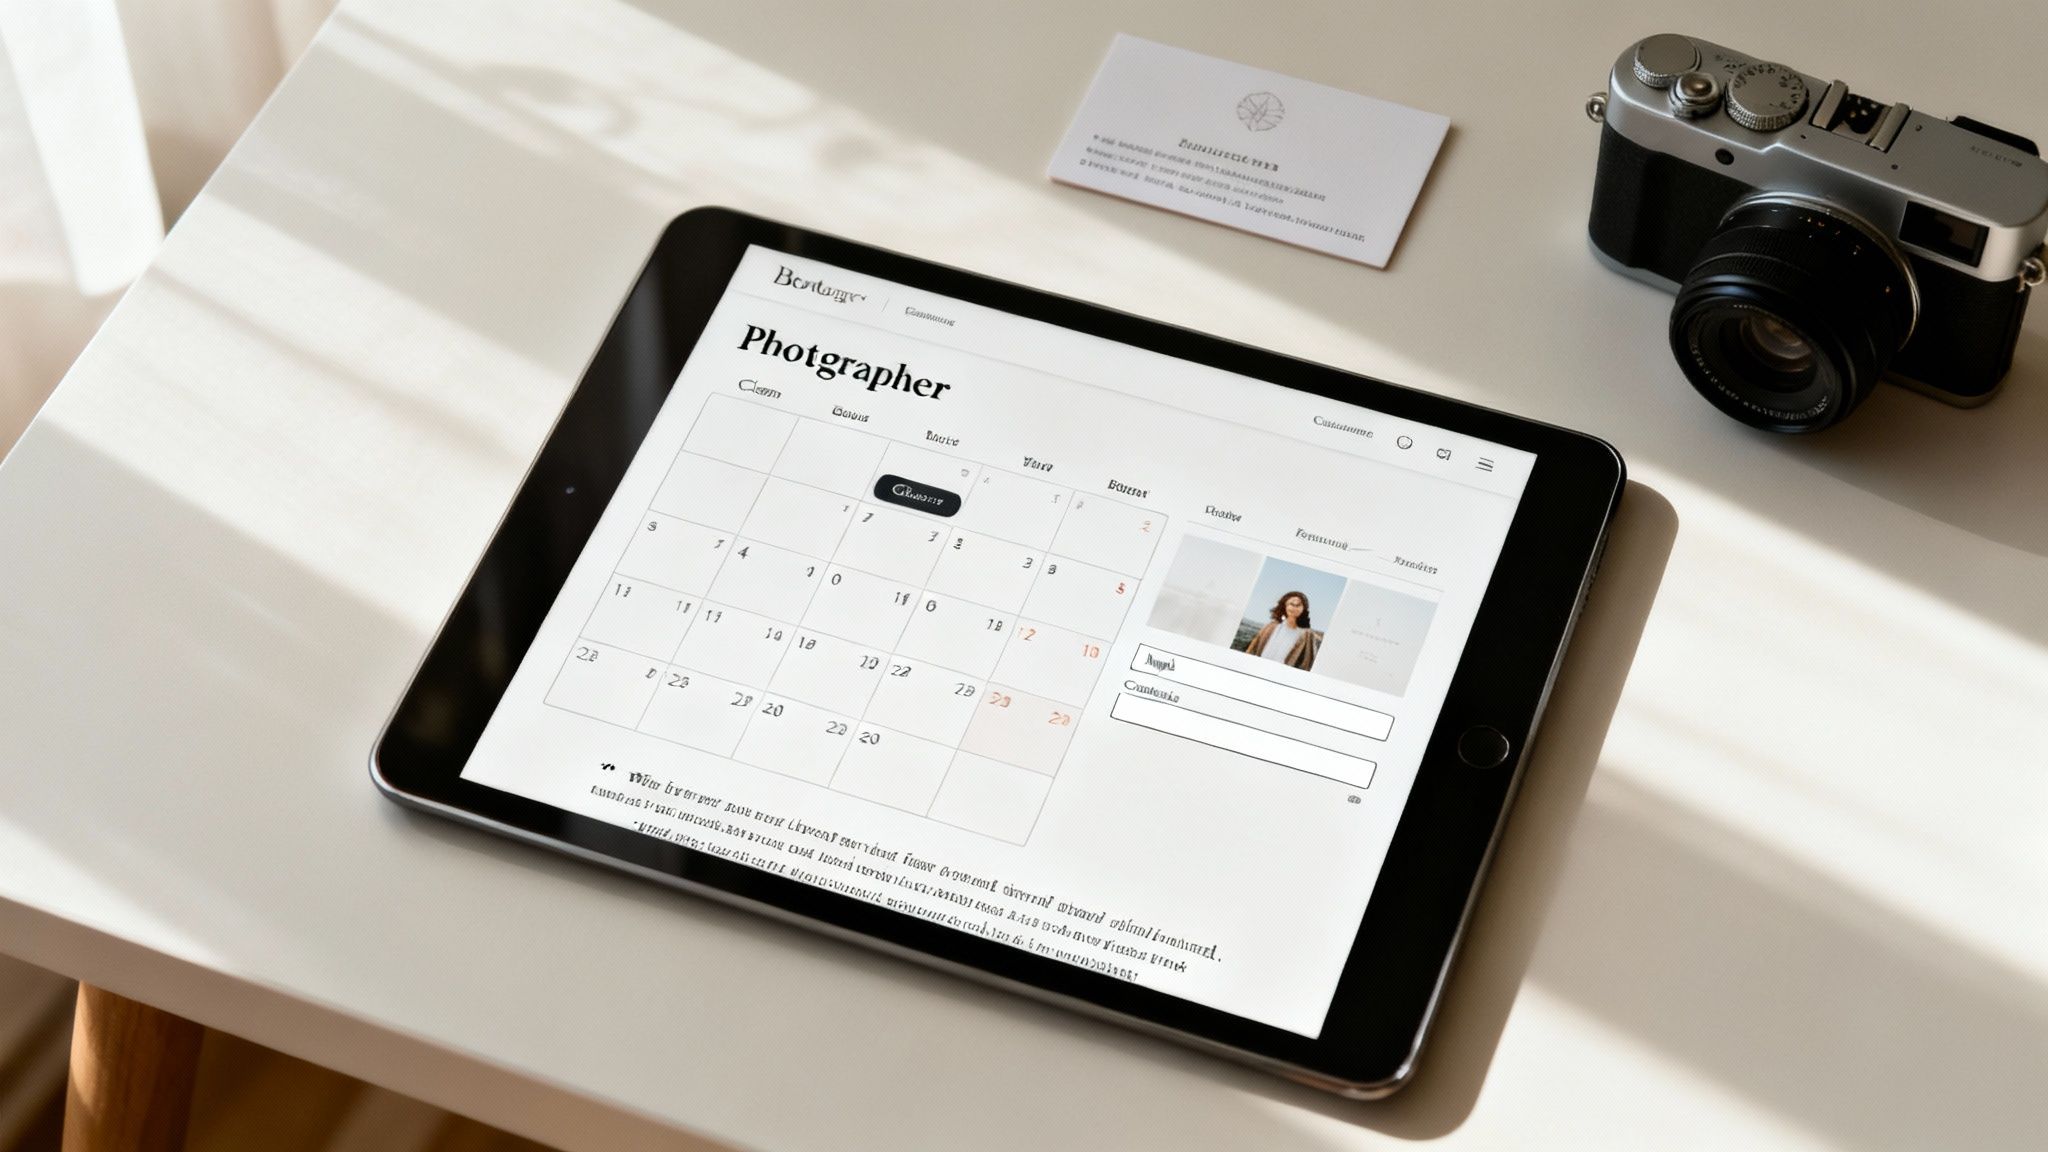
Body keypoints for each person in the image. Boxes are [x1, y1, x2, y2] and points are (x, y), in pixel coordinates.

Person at [1245, 591, 1320, 670]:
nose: (1294, 607)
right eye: (1291, 604)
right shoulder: (1270, 627)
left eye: (1298, 605)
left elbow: (1307, 663)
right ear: (1284, 606)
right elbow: (1252, 649)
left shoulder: (1307, 635)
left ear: (1304, 608)